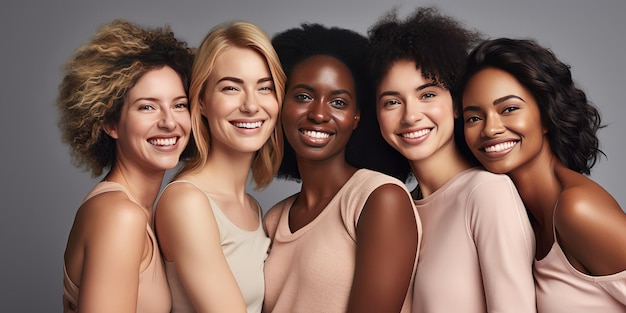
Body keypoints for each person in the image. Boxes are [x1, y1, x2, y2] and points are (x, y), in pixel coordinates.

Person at [368, 7, 536, 313]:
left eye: (427, 94)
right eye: (392, 101)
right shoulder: (397, 206)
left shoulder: (486, 193)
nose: (410, 116)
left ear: (457, 103)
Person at [458, 37, 626, 312]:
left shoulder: (578, 209)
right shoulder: (516, 214)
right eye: (474, 117)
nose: (490, 129)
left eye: (509, 109)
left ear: (546, 116)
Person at [263, 23, 420, 313]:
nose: (319, 113)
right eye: (304, 96)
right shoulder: (275, 219)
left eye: (338, 102)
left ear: (356, 116)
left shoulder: (379, 199)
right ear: (281, 106)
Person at [57, 19, 193, 313]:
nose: (169, 122)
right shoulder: (120, 216)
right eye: (147, 106)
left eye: (180, 105)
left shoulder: (146, 213)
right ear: (109, 123)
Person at [154, 21, 285, 313]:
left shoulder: (252, 209)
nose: (251, 105)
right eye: (231, 88)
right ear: (201, 101)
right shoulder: (187, 201)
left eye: (265, 87)